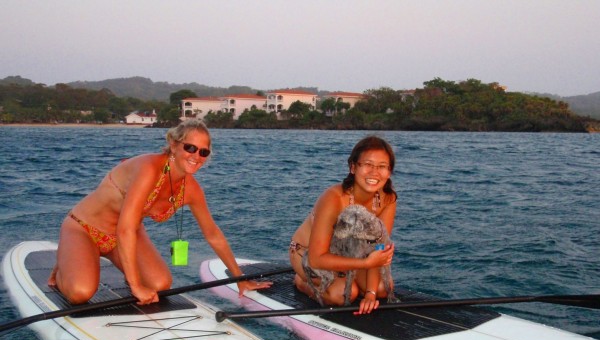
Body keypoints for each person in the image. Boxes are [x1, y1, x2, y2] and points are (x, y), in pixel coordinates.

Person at [48, 118, 271, 305]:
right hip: (85, 228)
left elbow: (213, 235)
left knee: (160, 284)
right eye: (190, 147)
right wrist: (135, 287)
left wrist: (239, 278)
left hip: (123, 238)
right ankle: (63, 268)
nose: (196, 156)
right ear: (174, 145)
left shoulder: (191, 190)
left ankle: (98, 264)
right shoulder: (148, 169)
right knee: (80, 293)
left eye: (203, 152)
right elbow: (125, 227)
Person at [289, 136, 397, 315]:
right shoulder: (334, 198)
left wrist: (370, 294)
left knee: (382, 289)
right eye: (367, 164)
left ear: (389, 171)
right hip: (306, 253)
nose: (374, 173)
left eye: (382, 166)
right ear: (353, 167)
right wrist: (365, 263)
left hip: (346, 254)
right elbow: (316, 258)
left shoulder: (388, 199)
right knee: (344, 294)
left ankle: (347, 276)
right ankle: (302, 282)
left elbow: (378, 247)